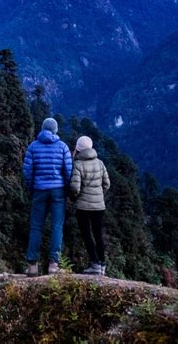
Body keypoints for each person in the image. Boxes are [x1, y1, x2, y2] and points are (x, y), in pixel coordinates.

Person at [23, 117, 73, 275]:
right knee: (57, 226)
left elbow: (28, 171)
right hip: (58, 190)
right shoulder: (62, 147)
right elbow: (68, 171)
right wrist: (65, 188)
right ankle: (53, 265)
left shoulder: (33, 147)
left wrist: (31, 187)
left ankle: (32, 266)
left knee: (36, 227)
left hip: (39, 190)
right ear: (55, 130)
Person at [70, 135, 110, 276]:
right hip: (99, 206)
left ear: (79, 148)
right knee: (98, 234)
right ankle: (103, 265)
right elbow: (107, 184)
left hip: (83, 207)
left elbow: (75, 188)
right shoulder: (100, 163)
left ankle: (95, 264)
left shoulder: (78, 164)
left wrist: (75, 198)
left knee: (87, 234)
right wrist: (99, 195)